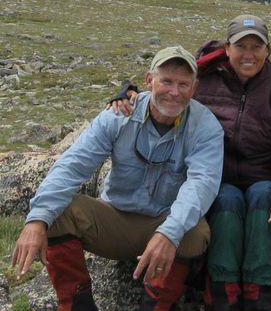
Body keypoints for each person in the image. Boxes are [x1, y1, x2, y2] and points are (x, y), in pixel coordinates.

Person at [110, 15, 271, 311]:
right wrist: (131, 95)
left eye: (256, 46)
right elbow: (170, 90)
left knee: (263, 196)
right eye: (240, 46)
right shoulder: (203, 78)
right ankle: (223, 292)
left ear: (268, 50)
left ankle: (260, 292)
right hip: (212, 176)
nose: (248, 54)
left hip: (264, 179)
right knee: (227, 198)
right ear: (227, 47)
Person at [12, 46, 224, 311]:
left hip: (165, 221)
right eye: (166, 81)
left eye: (183, 84)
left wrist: (169, 233)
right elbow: (74, 164)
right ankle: (77, 305)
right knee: (58, 212)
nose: (174, 91)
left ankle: (155, 305)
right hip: (114, 220)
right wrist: (37, 219)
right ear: (150, 80)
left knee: (195, 232)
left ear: (194, 88)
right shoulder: (118, 114)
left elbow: (202, 183)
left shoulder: (206, 126)